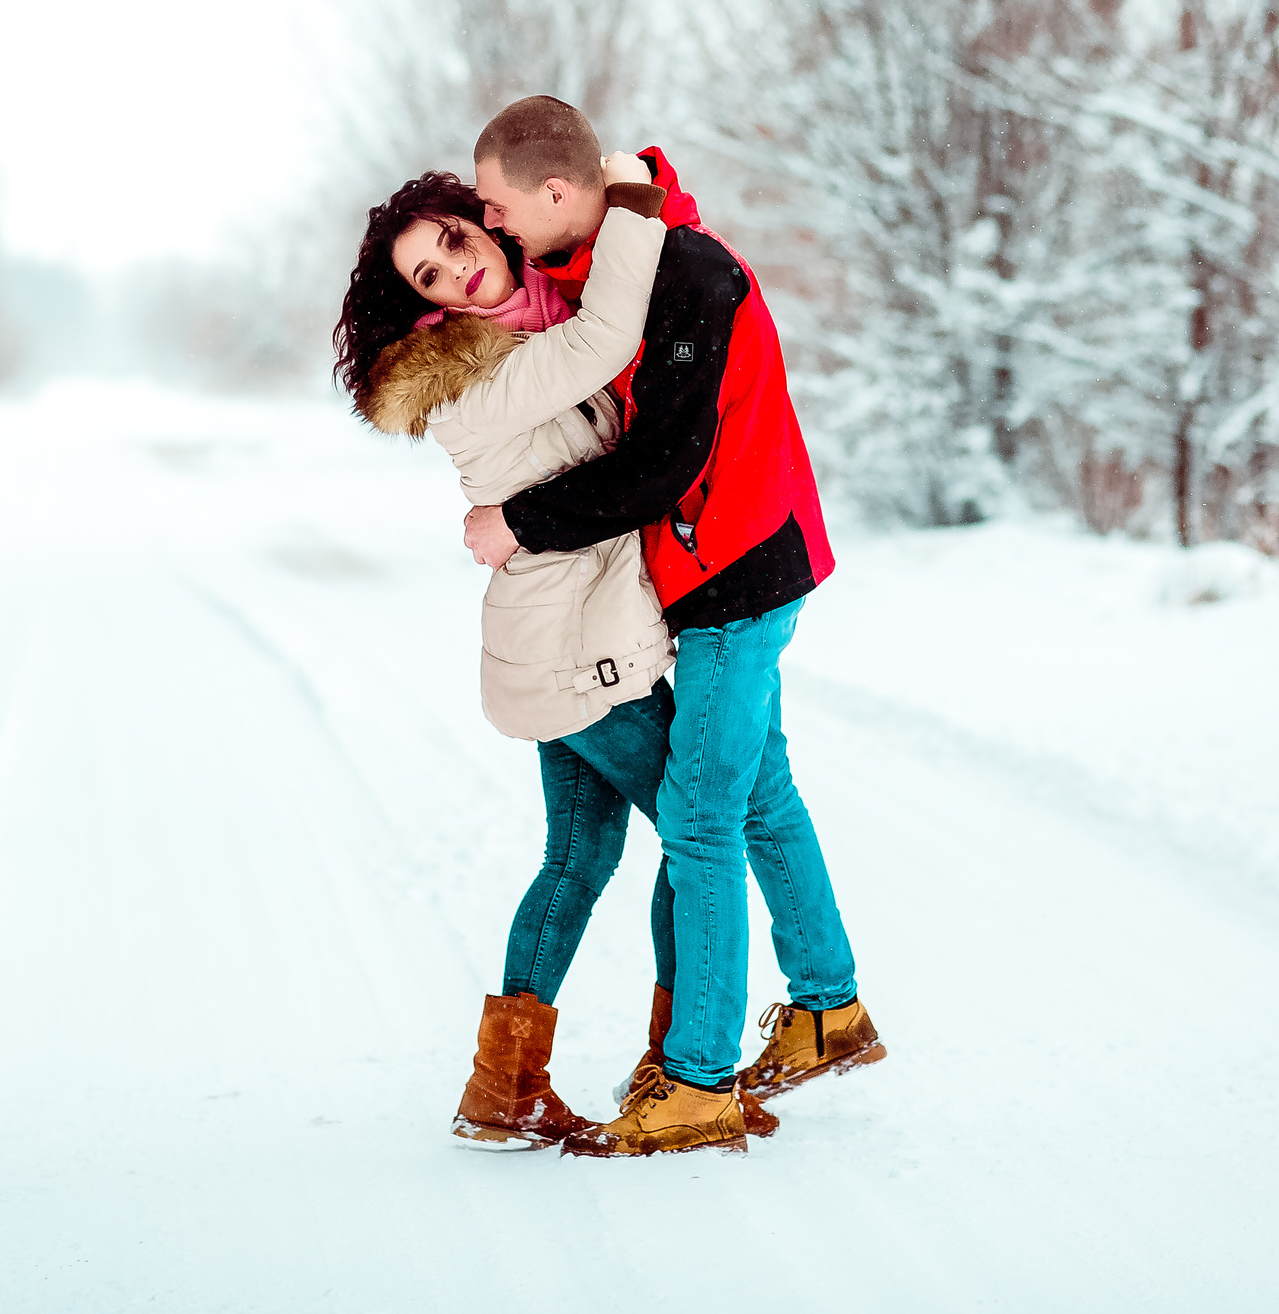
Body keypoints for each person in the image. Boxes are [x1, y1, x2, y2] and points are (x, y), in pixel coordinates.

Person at [461, 96, 883, 1160]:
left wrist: (519, 521)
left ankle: (697, 1080)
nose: (501, 231)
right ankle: (828, 1007)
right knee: (758, 792)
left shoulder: (684, 270)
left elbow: (666, 463)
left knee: (699, 817)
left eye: (504, 210)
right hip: (705, 570)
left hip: (738, 567)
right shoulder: (607, 260)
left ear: (557, 193)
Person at [333, 167, 781, 1150]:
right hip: (577, 660)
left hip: (557, 648)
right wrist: (630, 198)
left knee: (580, 857)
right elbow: (608, 340)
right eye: (428, 277)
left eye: (454, 242)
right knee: (702, 834)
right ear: (421, 307)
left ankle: (504, 1089)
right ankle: (679, 1061)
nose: (456, 275)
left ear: (485, 227)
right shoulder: (476, 377)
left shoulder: (527, 328)